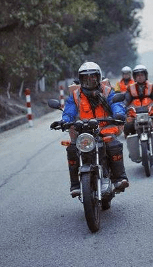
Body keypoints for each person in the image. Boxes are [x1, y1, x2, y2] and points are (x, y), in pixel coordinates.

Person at [50, 62, 129, 197]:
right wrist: (64, 121)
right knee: (72, 149)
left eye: (92, 77)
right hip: (83, 131)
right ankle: (75, 185)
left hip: (105, 128)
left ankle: (118, 179)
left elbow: (116, 103)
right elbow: (69, 111)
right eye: (85, 78)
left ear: (98, 77)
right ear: (81, 79)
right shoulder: (75, 95)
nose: (89, 80)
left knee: (113, 145)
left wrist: (119, 114)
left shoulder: (107, 91)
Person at [123, 64, 153, 136]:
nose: (140, 77)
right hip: (134, 115)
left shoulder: (151, 86)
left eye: (142, 75)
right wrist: (123, 106)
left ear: (145, 76)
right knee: (127, 125)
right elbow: (126, 100)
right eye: (138, 75)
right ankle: (131, 144)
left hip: (150, 114)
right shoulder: (130, 88)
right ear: (135, 77)